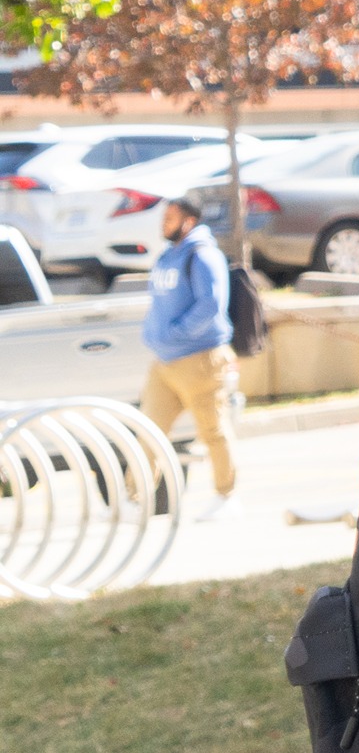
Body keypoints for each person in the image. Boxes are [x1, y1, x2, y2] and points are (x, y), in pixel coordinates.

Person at [140, 193, 237, 518]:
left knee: (213, 430)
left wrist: (174, 333)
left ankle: (226, 497)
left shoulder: (203, 255)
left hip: (200, 360)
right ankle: (134, 498)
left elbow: (211, 305)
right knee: (149, 430)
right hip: (165, 363)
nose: (163, 225)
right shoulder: (168, 256)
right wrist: (155, 335)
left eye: (169, 219)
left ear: (189, 221)